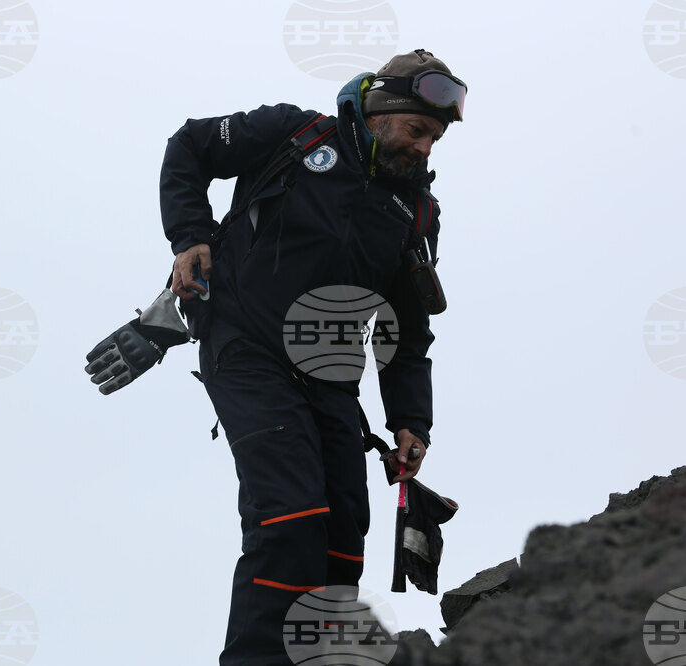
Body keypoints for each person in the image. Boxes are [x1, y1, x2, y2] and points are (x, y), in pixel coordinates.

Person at [161, 49, 466, 665]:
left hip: (330, 380)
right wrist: (190, 234)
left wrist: (411, 420)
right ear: (380, 111)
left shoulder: (416, 213)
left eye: (435, 137)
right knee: (292, 516)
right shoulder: (294, 135)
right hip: (245, 346)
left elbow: (405, 331)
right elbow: (189, 147)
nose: (426, 148)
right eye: (416, 130)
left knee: (343, 534)